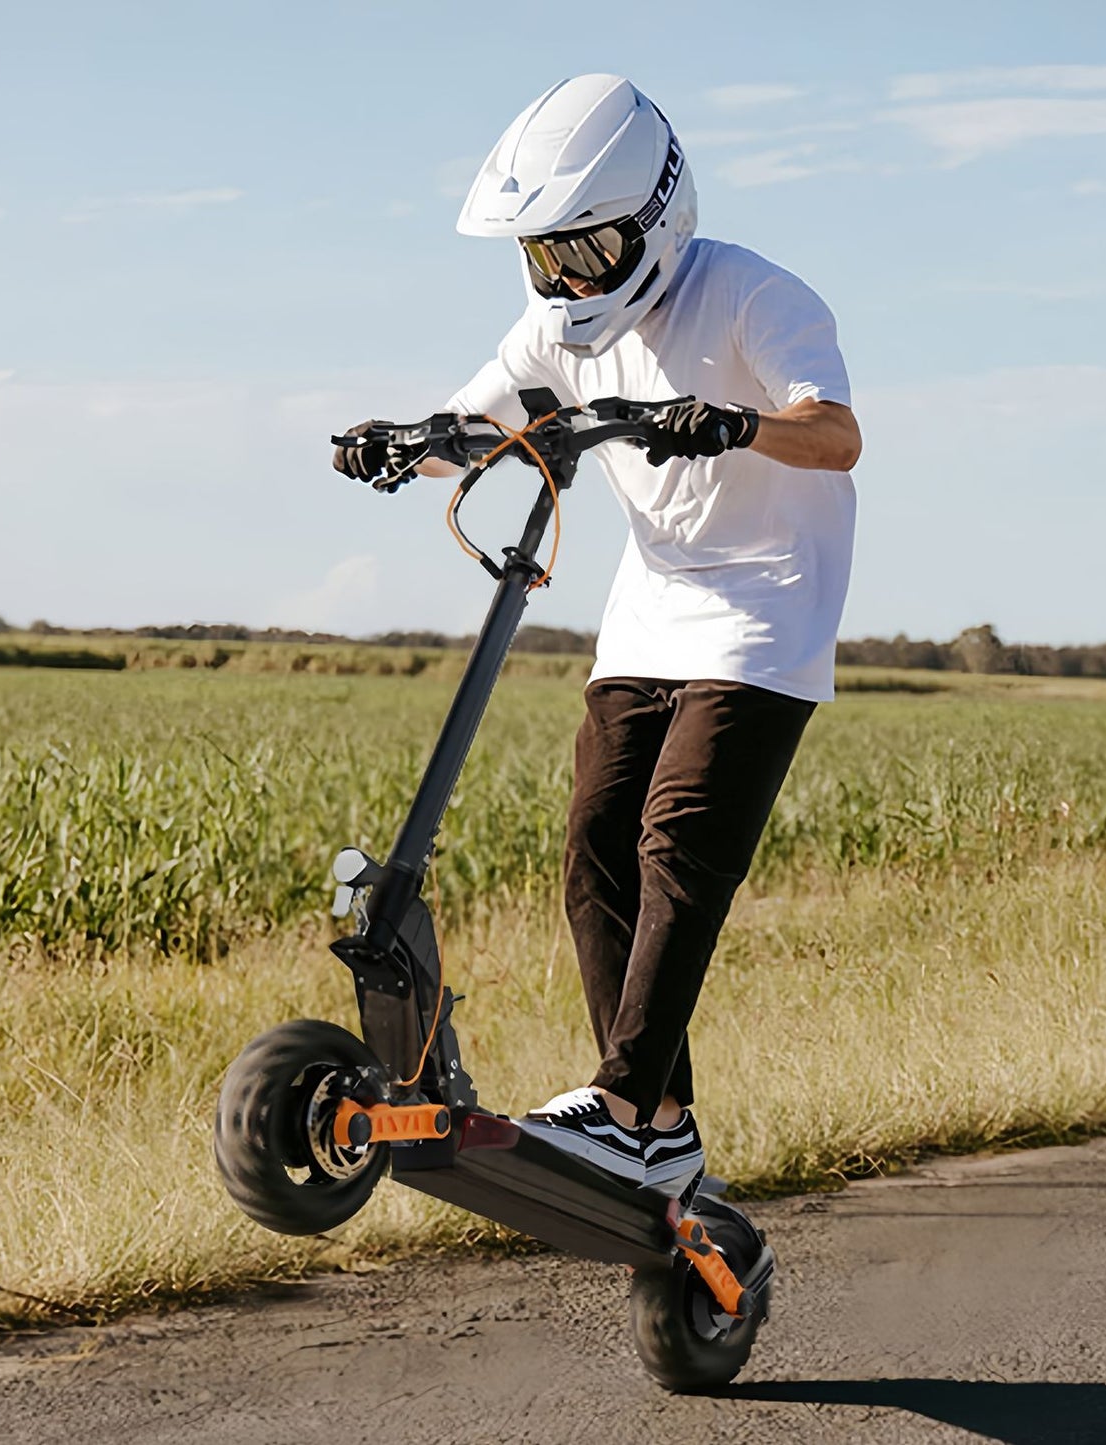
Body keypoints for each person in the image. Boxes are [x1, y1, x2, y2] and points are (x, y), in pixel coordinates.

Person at [332, 74, 861, 1202]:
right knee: (593, 851)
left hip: (765, 609)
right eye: (548, 259)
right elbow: (478, 426)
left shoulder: (750, 296)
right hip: (652, 606)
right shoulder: (553, 331)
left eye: (590, 253)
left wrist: (732, 422)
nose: (569, 282)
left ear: (659, 215)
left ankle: (620, 1106)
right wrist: (398, 443)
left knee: (676, 842)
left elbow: (836, 433)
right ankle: (659, 1121)